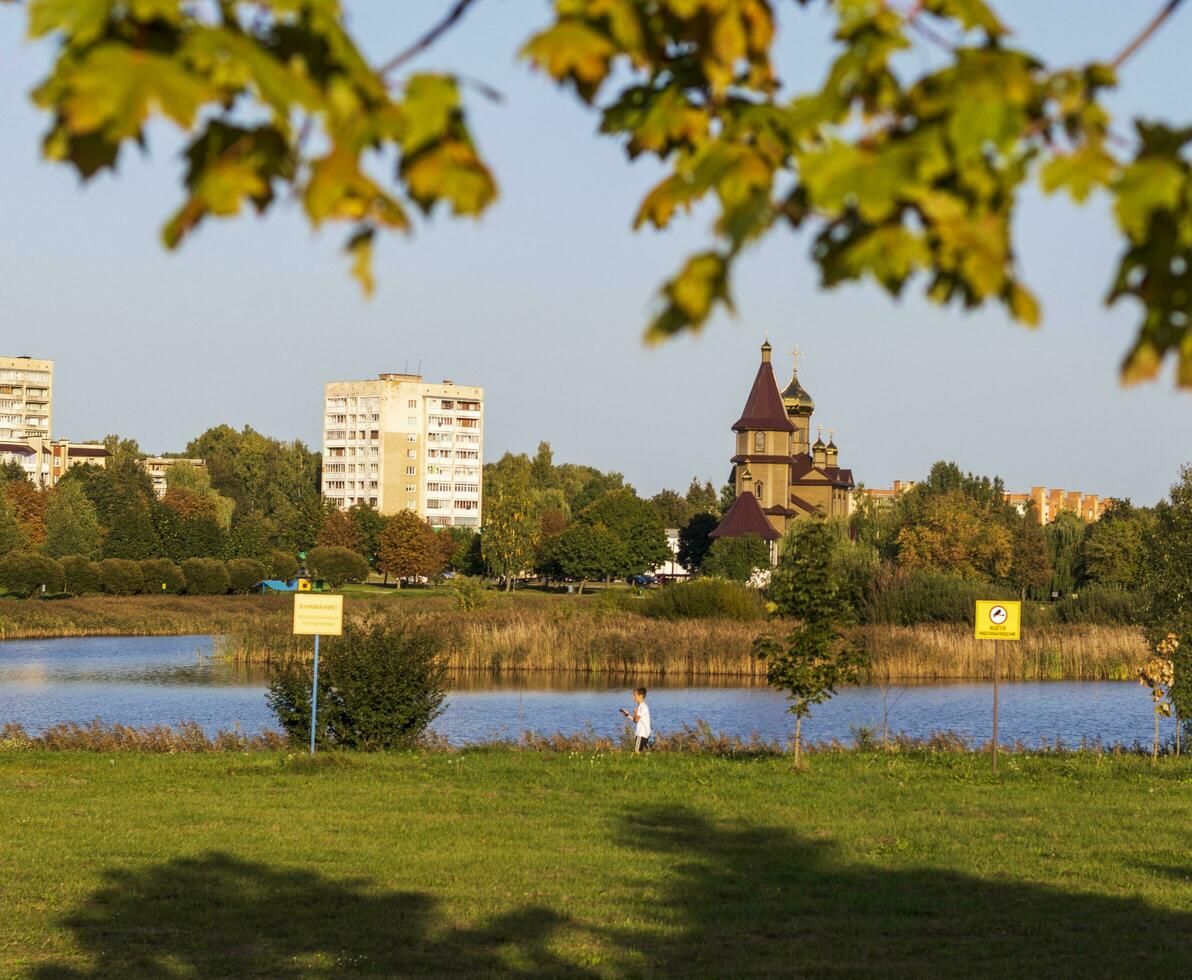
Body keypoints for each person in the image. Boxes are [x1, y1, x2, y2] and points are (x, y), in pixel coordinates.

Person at [619, 687, 651, 753]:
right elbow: (637, 720)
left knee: (637, 751)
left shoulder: (642, 707)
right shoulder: (642, 706)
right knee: (643, 751)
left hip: (641, 733)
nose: (633, 698)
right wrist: (628, 715)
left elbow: (636, 720)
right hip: (644, 733)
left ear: (641, 696)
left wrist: (635, 712)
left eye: (635, 696)